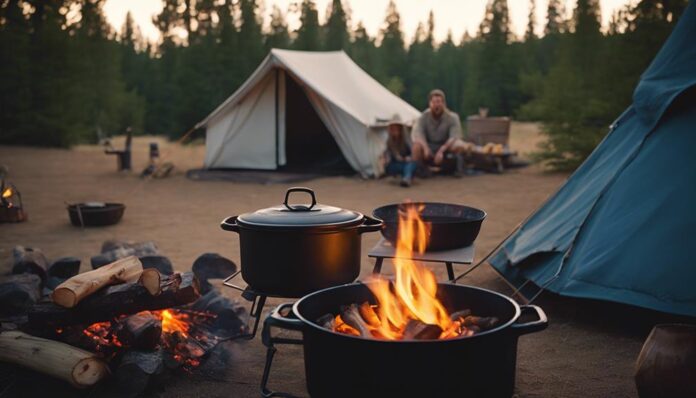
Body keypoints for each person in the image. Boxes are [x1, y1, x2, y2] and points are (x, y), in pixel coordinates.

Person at [411, 89, 472, 176]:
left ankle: (458, 168)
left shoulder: (453, 117)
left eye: (439, 102)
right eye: (434, 102)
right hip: (429, 146)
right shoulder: (423, 117)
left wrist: (442, 150)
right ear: (430, 104)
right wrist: (425, 148)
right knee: (416, 146)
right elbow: (418, 134)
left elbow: (454, 137)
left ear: (443, 103)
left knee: (459, 145)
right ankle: (420, 170)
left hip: (446, 146)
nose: (436, 105)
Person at [381, 114, 418, 187]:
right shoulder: (389, 141)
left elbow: (413, 152)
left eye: (397, 127)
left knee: (411, 165)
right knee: (393, 167)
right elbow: (387, 154)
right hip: (395, 164)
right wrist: (385, 159)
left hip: (407, 162)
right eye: (393, 127)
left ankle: (406, 179)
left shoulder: (406, 138)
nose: (395, 129)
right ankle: (406, 177)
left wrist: (409, 157)